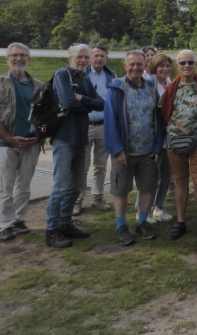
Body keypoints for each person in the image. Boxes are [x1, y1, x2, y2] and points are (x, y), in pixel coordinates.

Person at [0, 43, 44, 242]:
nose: (19, 58)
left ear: (29, 58)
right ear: (7, 59)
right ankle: (4, 225)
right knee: (3, 186)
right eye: (14, 55)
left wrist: (39, 137)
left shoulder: (39, 86)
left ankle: (18, 219)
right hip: (3, 143)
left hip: (30, 144)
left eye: (23, 55)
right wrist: (9, 139)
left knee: (24, 185)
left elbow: (47, 118)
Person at [45, 44, 105, 248]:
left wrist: (82, 98)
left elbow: (101, 104)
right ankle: (51, 231)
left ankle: (65, 223)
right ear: (70, 58)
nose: (84, 61)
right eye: (80, 57)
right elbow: (69, 103)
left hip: (81, 139)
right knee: (61, 187)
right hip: (64, 138)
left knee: (77, 185)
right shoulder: (62, 75)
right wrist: (84, 102)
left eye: (86, 57)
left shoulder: (84, 78)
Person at [103, 51, 165, 245]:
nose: (136, 68)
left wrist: (157, 147)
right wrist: (117, 150)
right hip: (125, 152)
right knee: (121, 190)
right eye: (132, 64)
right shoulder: (116, 89)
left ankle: (141, 222)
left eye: (140, 64)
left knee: (147, 187)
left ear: (145, 66)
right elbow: (110, 122)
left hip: (147, 151)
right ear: (125, 66)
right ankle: (121, 226)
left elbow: (158, 120)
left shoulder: (151, 88)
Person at [160, 49, 197, 240]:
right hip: (174, 141)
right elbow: (162, 114)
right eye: (183, 63)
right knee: (180, 181)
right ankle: (181, 221)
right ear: (177, 66)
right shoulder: (169, 90)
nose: (187, 66)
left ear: (195, 65)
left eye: (190, 62)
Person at [74, 44, 116, 216]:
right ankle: (77, 200)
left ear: (107, 58)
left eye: (102, 56)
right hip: (85, 125)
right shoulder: (81, 74)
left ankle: (97, 198)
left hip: (104, 125)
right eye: (96, 55)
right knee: (81, 165)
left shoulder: (111, 75)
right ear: (90, 57)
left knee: (100, 165)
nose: (99, 58)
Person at [145, 53, 173, 222]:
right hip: (154, 135)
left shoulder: (173, 83)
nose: (165, 69)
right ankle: (143, 210)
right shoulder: (148, 85)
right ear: (154, 68)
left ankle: (158, 208)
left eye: (167, 66)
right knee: (150, 175)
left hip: (170, 136)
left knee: (166, 174)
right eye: (161, 66)